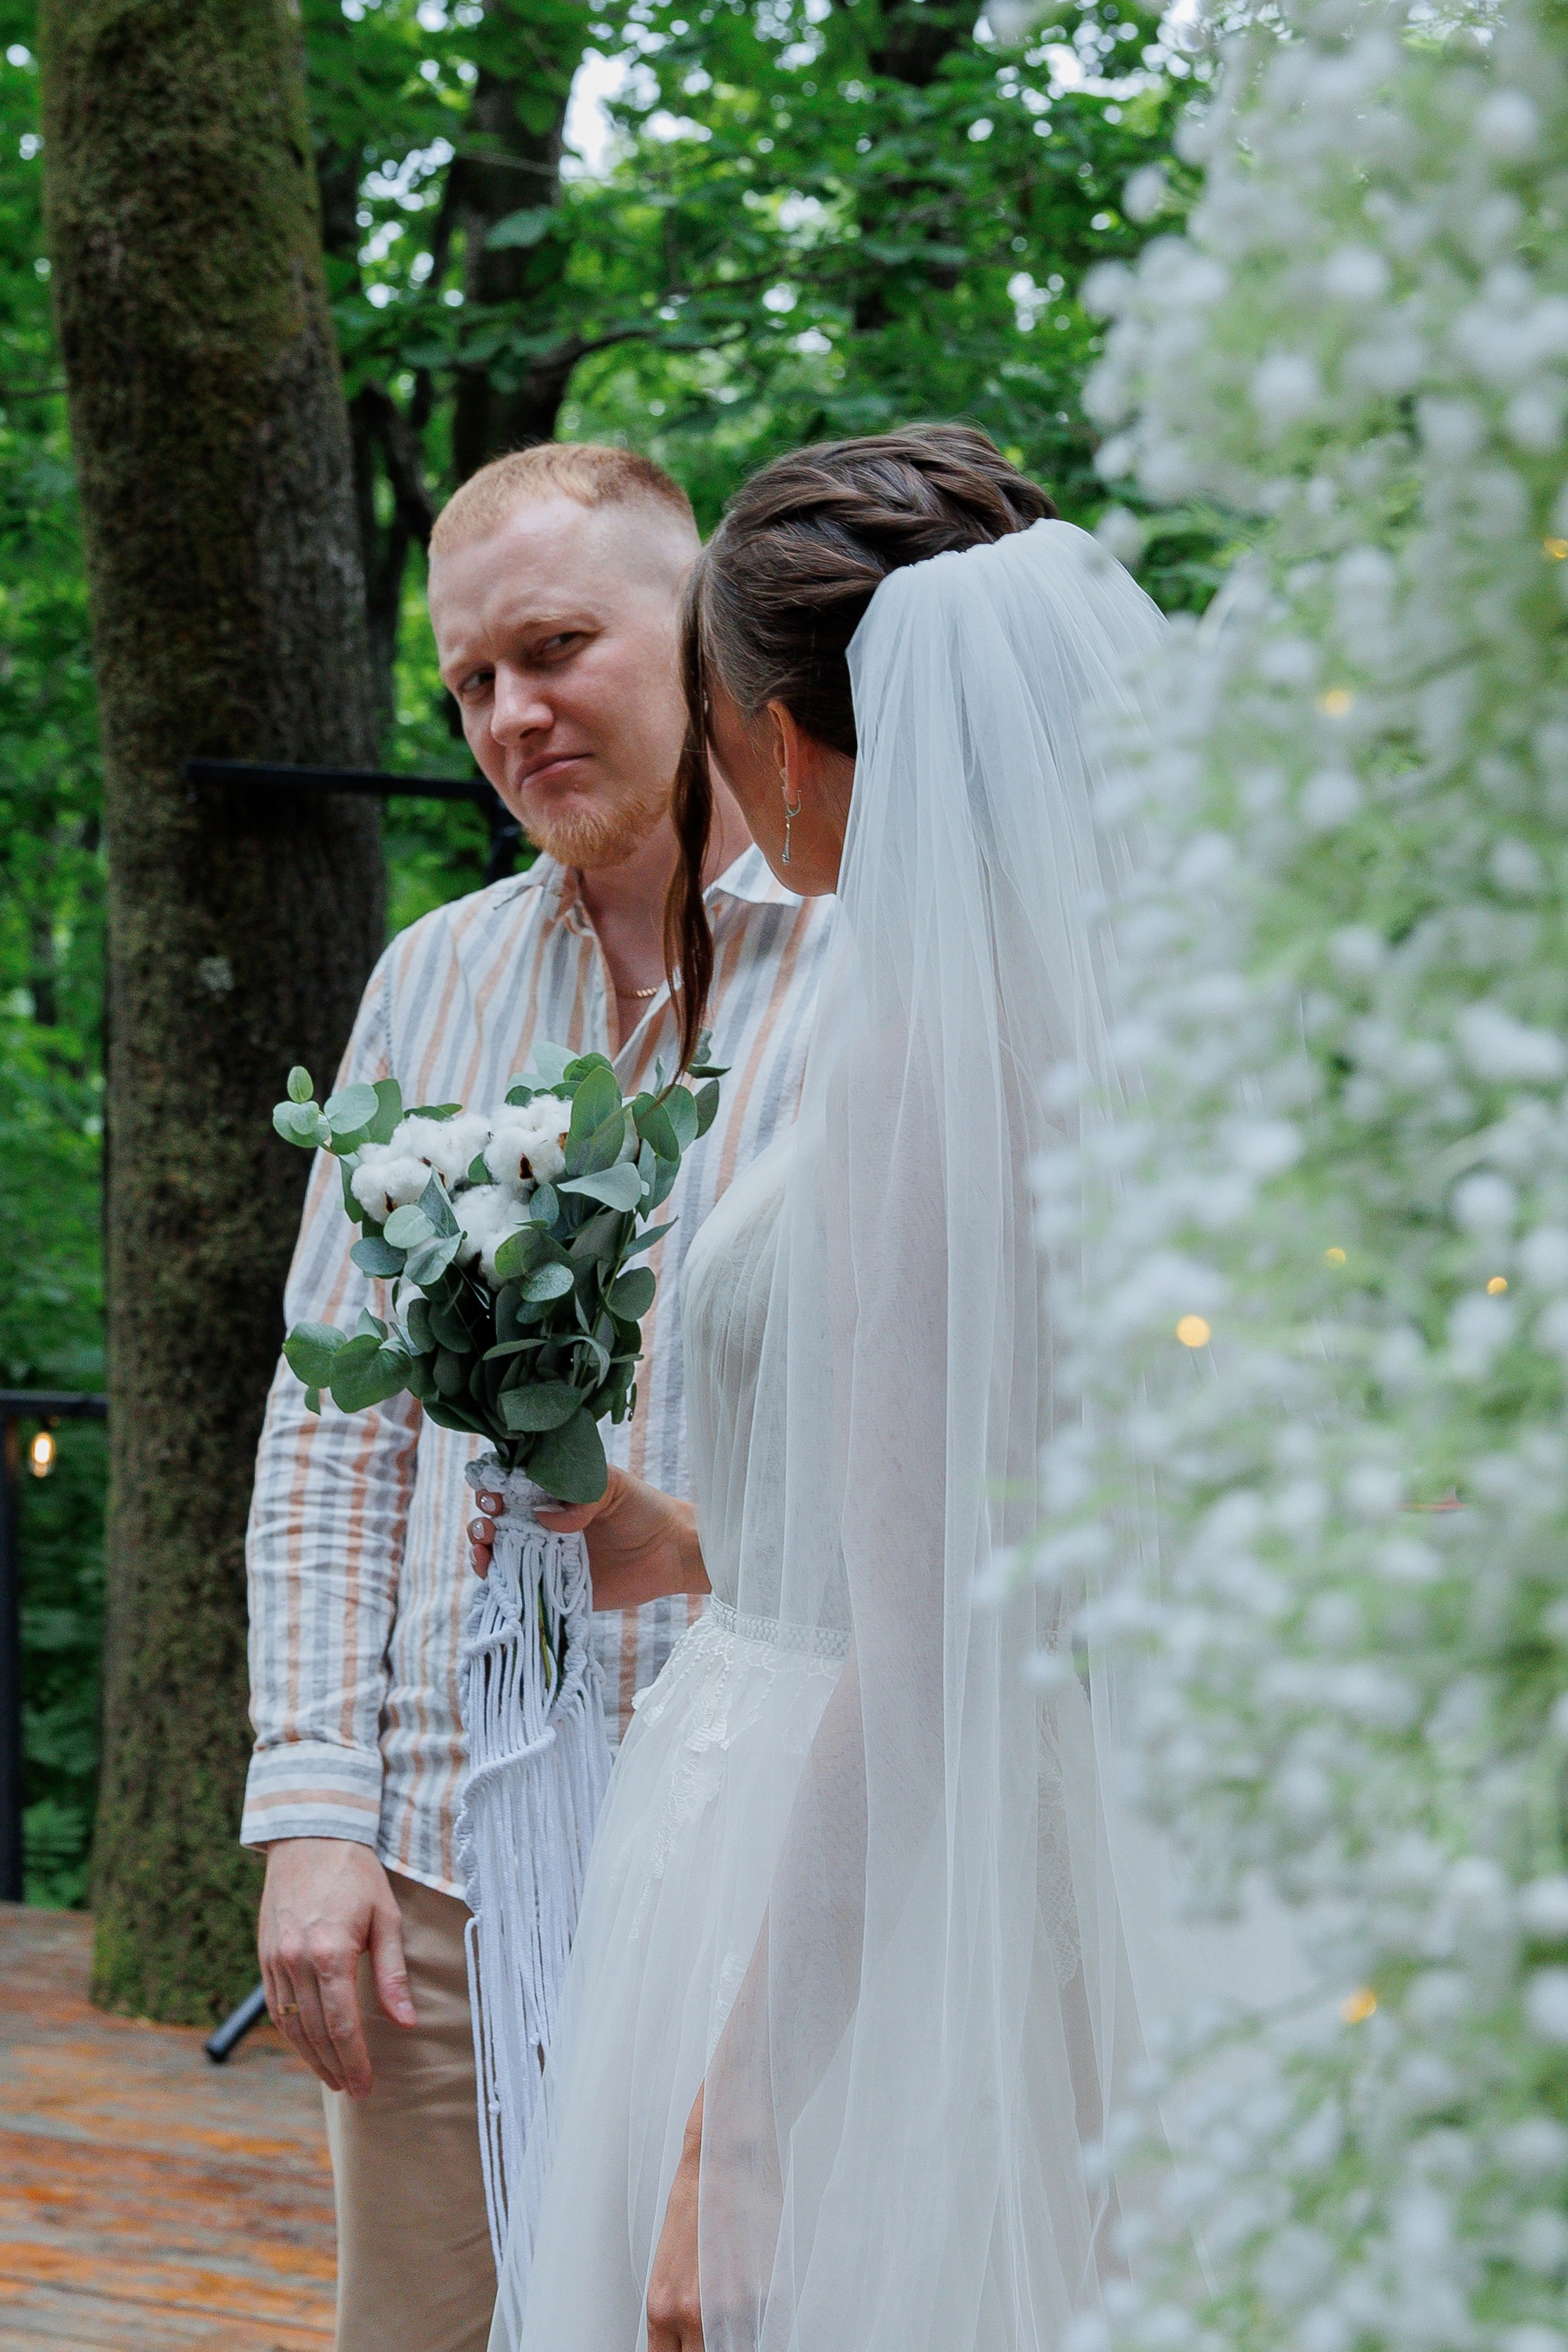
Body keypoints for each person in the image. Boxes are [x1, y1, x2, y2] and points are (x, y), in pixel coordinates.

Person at [476, 424, 1183, 2352]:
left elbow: (930, 1624)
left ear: (777, 734)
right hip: (1025, 1814)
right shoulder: (1100, 1023)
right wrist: (680, 1535)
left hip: (836, 1867)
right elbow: (1002, 1498)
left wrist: (752, 2124)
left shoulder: (922, 1054)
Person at [241, 441, 835, 2352]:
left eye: (557, 646)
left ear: (704, 635)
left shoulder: (872, 971)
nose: (511, 714)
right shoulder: (433, 984)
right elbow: (333, 1438)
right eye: (469, 680)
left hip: (756, 1857)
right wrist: (318, 1811)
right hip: (441, 1863)